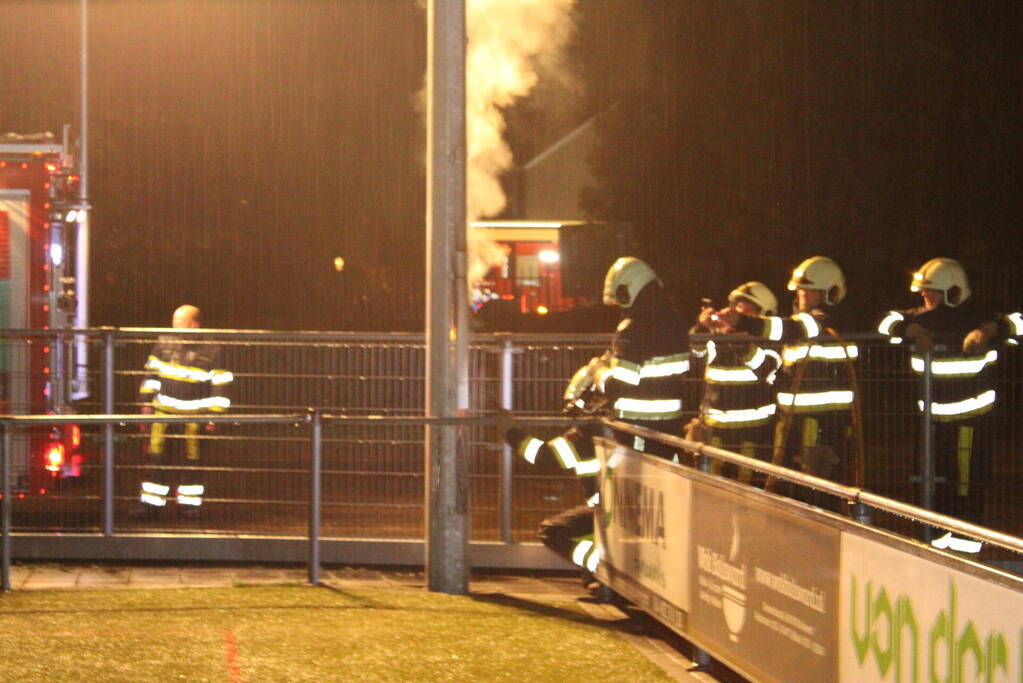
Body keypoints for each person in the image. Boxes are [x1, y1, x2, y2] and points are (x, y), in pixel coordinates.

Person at [876, 258, 1003, 553]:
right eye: (923, 292)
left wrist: (988, 330)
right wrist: (909, 331)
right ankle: (933, 542)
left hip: (970, 421)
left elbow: (1016, 324)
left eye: (931, 292)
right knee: (932, 480)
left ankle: (966, 546)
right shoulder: (919, 319)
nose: (925, 297)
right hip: (933, 421)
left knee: (966, 484)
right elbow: (883, 322)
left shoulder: (979, 316)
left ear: (954, 292)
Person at [716, 256, 860, 509]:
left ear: (830, 292)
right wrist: (741, 345)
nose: (803, 294)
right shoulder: (801, 324)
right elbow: (779, 374)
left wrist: (745, 322)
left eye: (811, 289)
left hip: (823, 425)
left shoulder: (830, 320)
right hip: (794, 421)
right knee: (789, 489)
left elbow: (792, 329)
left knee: (816, 493)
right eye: (801, 289)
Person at [504, 362, 606, 579]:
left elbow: (542, 456)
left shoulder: (584, 436)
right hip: (622, 512)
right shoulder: (620, 426)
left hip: (606, 511)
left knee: (552, 530)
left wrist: (508, 431)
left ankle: (601, 569)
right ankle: (599, 568)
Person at [588, 257, 693, 461]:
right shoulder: (676, 322)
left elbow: (616, 386)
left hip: (637, 431)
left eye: (619, 299)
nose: (618, 306)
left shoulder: (631, 329)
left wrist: (596, 370)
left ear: (628, 290)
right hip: (670, 427)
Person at [138, 305, 233, 514]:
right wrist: (145, 402)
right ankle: (151, 506)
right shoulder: (164, 343)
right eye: (175, 322)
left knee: (192, 461)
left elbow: (221, 382)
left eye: (180, 323)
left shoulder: (213, 349)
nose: (176, 327)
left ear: (195, 324)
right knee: (156, 458)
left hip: (195, 416)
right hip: (162, 413)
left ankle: (189, 506)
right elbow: (151, 373)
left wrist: (214, 416)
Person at [687, 282, 782, 483]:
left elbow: (766, 368)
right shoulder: (717, 339)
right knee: (712, 490)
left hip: (753, 434)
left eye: (746, 311)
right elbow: (696, 354)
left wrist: (738, 342)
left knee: (748, 492)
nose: (738, 315)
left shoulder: (770, 343)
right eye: (737, 308)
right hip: (715, 432)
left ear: (763, 314)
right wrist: (702, 327)